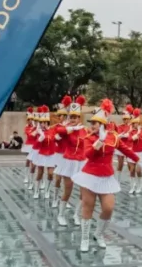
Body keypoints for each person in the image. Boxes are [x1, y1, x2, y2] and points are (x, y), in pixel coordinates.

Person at [72, 99, 140, 252]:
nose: (92, 126)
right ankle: (85, 238)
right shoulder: (89, 138)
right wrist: (99, 142)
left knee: (109, 208)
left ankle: (99, 233)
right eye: (91, 123)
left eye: (95, 123)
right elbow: (87, 154)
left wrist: (138, 159)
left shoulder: (114, 137)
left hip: (106, 176)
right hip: (90, 175)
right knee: (88, 207)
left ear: (102, 124)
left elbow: (125, 149)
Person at [54, 95, 88, 226]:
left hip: (82, 162)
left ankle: (76, 214)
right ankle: (61, 215)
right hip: (69, 161)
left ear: (79, 117)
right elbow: (58, 130)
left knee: (83, 192)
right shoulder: (67, 129)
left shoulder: (85, 130)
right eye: (71, 117)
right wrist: (72, 128)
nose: (72, 119)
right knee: (68, 189)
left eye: (75, 117)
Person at [32, 106, 57, 200]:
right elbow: (36, 144)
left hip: (51, 154)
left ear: (48, 122)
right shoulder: (38, 131)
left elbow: (56, 138)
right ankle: (37, 191)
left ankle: (47, 190)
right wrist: (40, 136)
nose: (43, 124)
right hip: (42, 154)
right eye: (41, 122)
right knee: (40, 173)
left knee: (50, 174)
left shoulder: (52, 130)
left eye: (44, 122)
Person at [50, 99, 68, 207]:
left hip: (68, 155)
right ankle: (55, 198)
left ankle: (65, 199)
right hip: (58, 155)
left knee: (67, 180)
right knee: (57, 178)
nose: (59, 118)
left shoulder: (71, 127)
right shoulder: (55, 127)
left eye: (61, 116)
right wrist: (56, 137)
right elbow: (53, 137)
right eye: (59, 116)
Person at [114, 105, 135, 183]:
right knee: (120, 164)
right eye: (125, 119)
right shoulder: (120, 126)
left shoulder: (132, 127)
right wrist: (123, 135)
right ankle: (117, 180)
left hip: (129, 146)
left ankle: (132, 182)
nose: (126, 120)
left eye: (127, 119)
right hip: (121, 147)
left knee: (131, 165)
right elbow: (118, 135)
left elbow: (133, 135)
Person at [23, 107, 37, 185]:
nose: (30, 121)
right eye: (28, 119)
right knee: (28, 161)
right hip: (28, 145)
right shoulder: (26, 127)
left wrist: (35, 127)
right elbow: (29, 134)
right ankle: (26, 176)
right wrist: (34, 128)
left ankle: (32, 177)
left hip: (34, 146)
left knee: (33, 162)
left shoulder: (35, 126)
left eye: (31, 119)